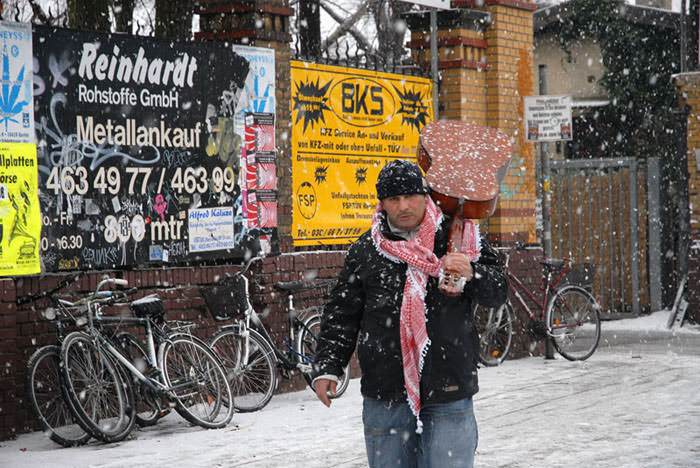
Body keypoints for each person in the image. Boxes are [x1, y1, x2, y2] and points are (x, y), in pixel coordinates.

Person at [312, 159, 508, 467]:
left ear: (425, 195)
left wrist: (473, 273)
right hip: (385, 389)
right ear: (383, 204)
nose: (403, 206)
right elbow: (342, 313)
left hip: (448, 385)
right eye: (394, 199)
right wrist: (328, 366)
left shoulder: (459, 238)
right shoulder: (366, 250)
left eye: (410, 196)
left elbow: (498, 291)